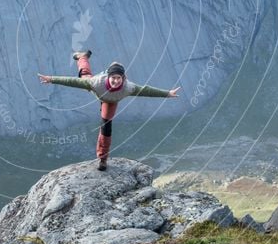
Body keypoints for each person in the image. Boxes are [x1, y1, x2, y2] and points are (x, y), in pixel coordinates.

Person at [37, 50, 180, 171]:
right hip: (99, 90)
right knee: (84, 76)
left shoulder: (128, 88)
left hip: (110, 101)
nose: (116, 81)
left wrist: (167, 94)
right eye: (113, 78)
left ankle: (102, 159)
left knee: (106, 127)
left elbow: (147, 91)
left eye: (118, 78)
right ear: (108, 76)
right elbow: (72, 82)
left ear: (123, 78)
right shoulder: (96, 82)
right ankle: (82, 57)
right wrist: (51, 79)